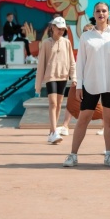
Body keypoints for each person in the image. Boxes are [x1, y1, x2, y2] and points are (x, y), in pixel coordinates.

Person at [62, 2, 110, 167]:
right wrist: (79, 85)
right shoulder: (86, 36)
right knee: (83, 119)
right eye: (98, 11)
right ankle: (73, 155)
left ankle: (109, 156)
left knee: (109, 121)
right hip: (90, 83)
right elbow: (80, 62)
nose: (101, 13)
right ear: (94, 14)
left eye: (104, 11)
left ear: (108, 13)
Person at [34, 16, 76, 144]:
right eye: (58, 28)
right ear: (52, 27)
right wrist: (38, 85)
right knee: (52, 103)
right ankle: (53, 132)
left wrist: (74, 77)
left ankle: (52, 131)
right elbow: (41, 64)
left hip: (63, 76)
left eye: (63, 29)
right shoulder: (46, 43)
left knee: (58, 104)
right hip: (50, 76)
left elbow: (72, 61)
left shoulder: (67, 42)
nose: (61, 31)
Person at [57, 22, 95, 137]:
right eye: (84, 31)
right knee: (71, 100)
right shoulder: (81, 46)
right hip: (80, 79)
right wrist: (76, 78)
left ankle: (105, 125)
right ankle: (65, 126)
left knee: (98, 108)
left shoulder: (96, 46)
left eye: (87, 31)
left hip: (94, 80)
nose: (85, 34)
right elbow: (77, 64)